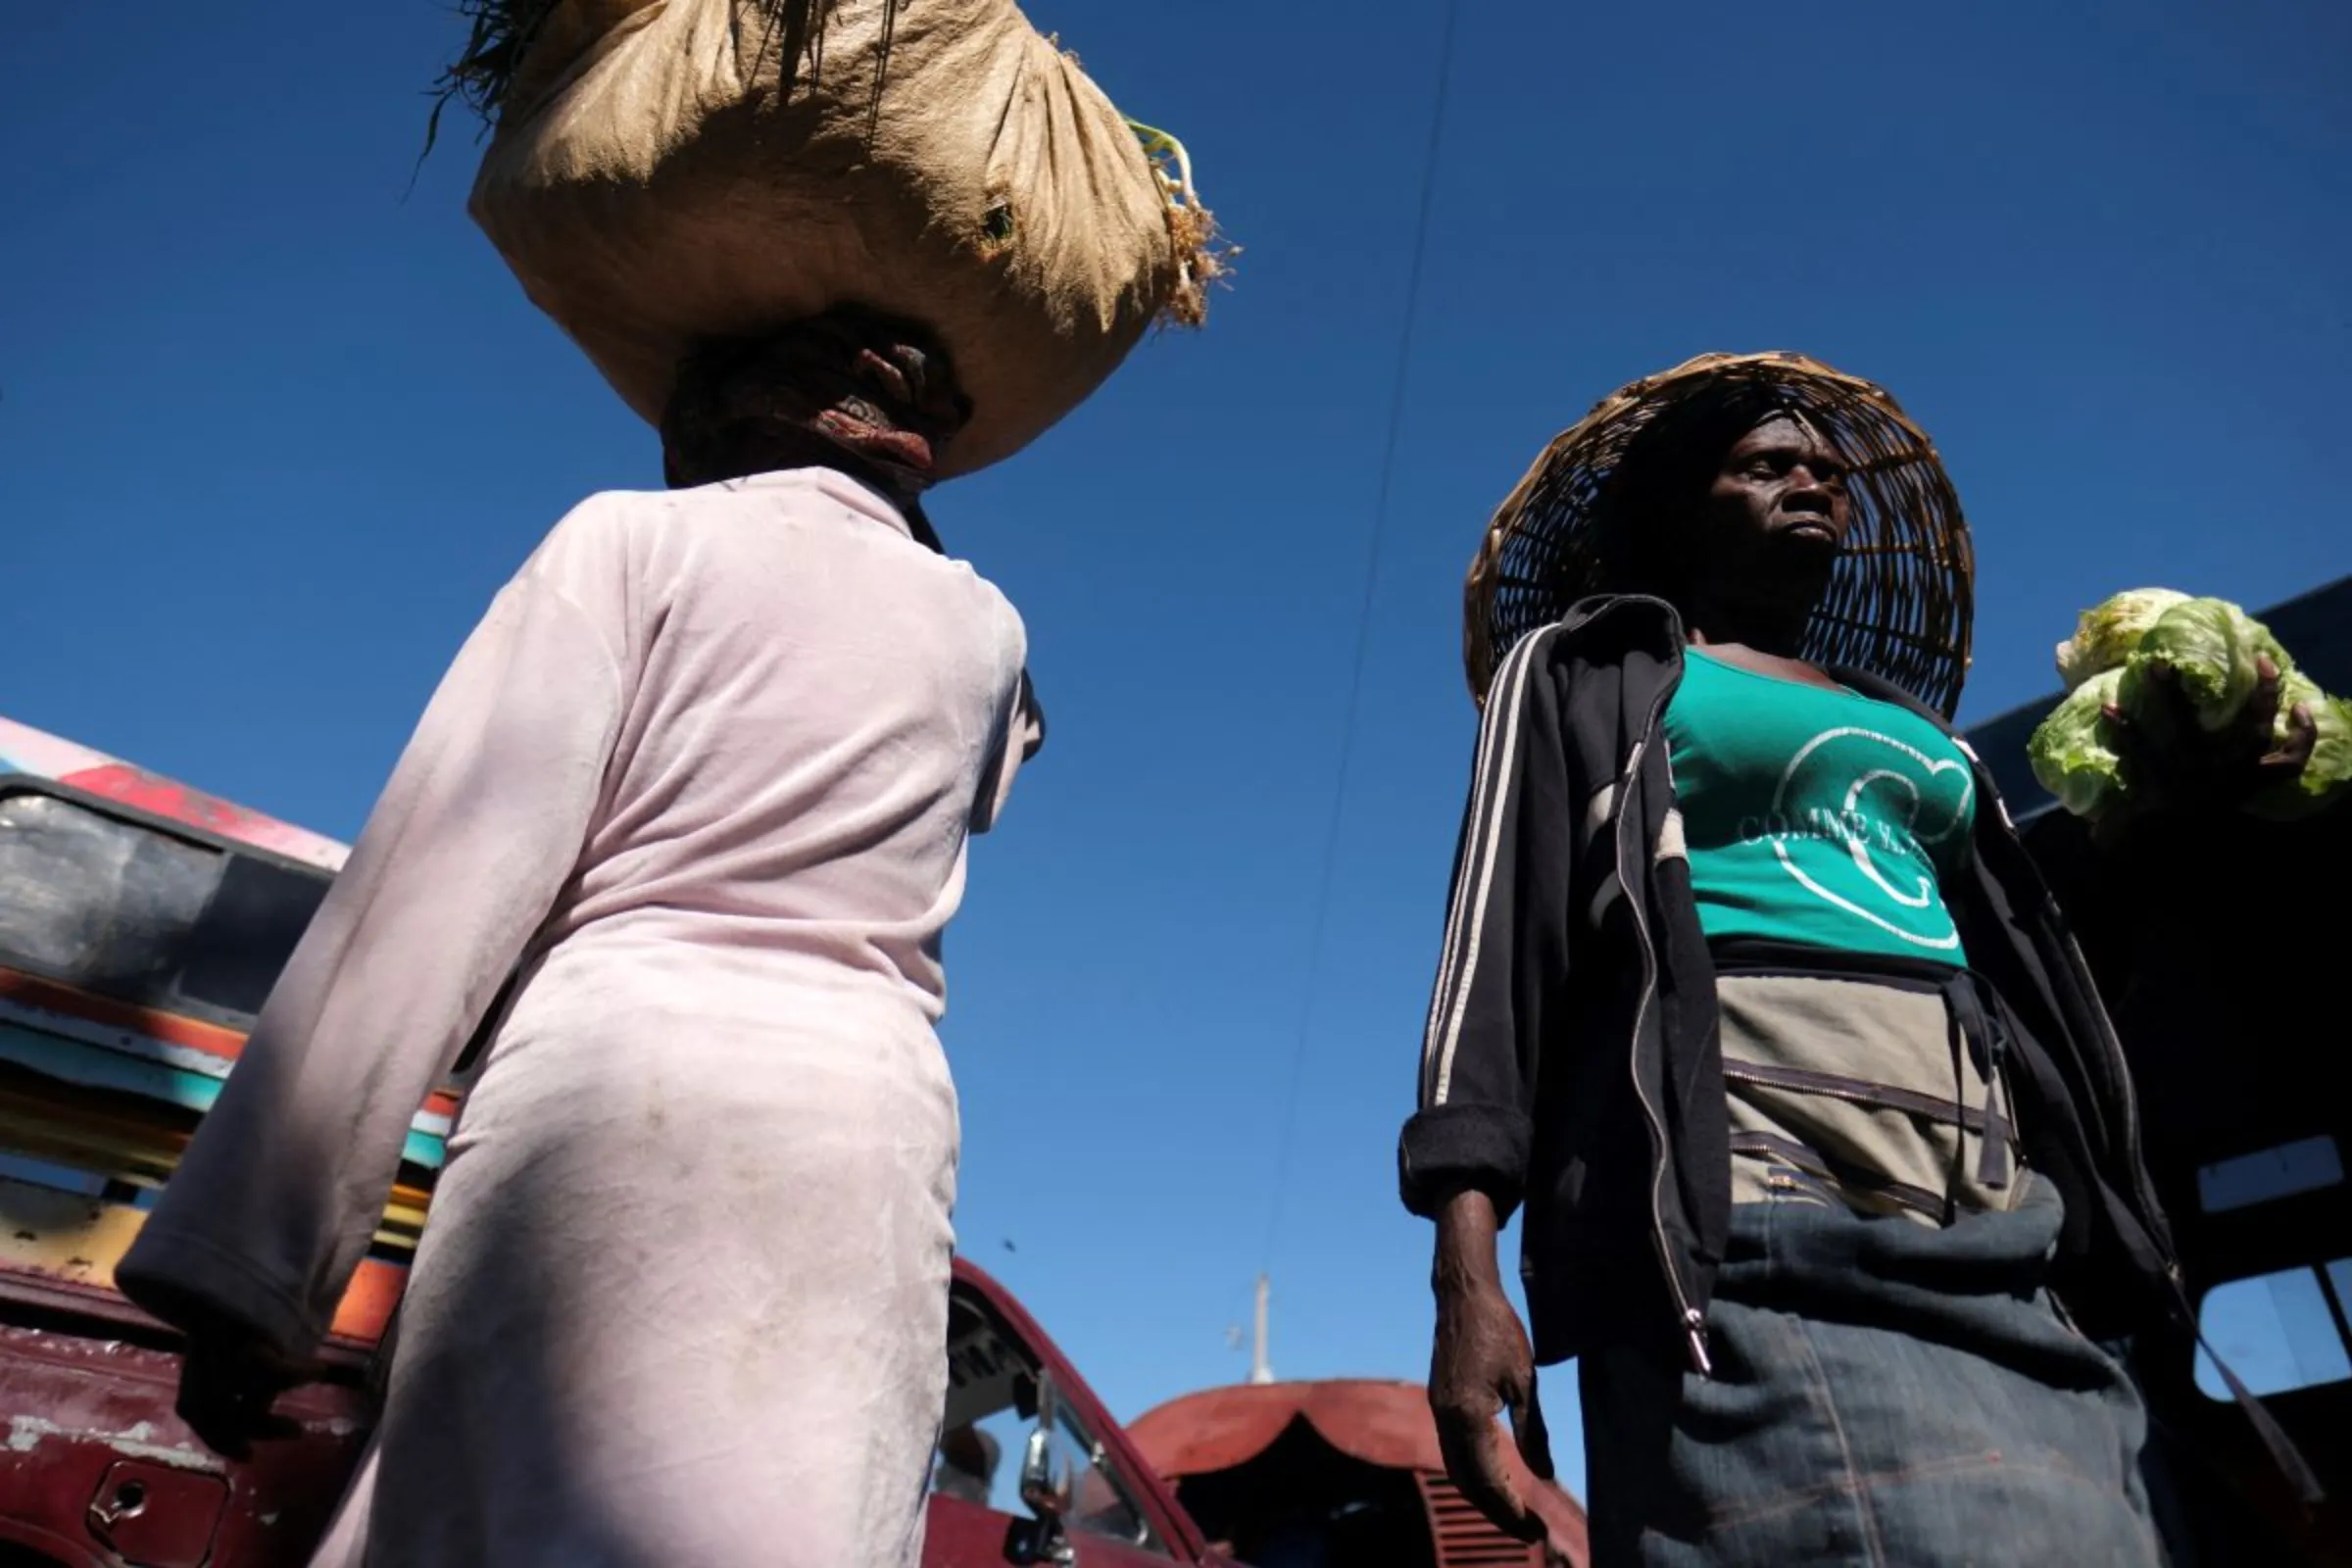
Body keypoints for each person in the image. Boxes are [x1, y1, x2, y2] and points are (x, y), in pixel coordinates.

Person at [115, 304, 1045, 1567]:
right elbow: (1004, 761)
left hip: (613, 1100)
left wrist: (248, 1268)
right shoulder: (986, 629)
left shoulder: (631, 542)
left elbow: (431, 890)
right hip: (863, 1137)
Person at [1396, 353, 2321, 1567]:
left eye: (1827, 471)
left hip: (1987, 1210)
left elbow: (2034, 980)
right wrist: (1466, 1281)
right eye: (1767, 465)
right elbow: (1493, 959)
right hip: (1756, 1193)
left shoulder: (1917, 733)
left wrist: (2173, 802)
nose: (1813, 485)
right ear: (1681, 505)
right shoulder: (1589, 669)